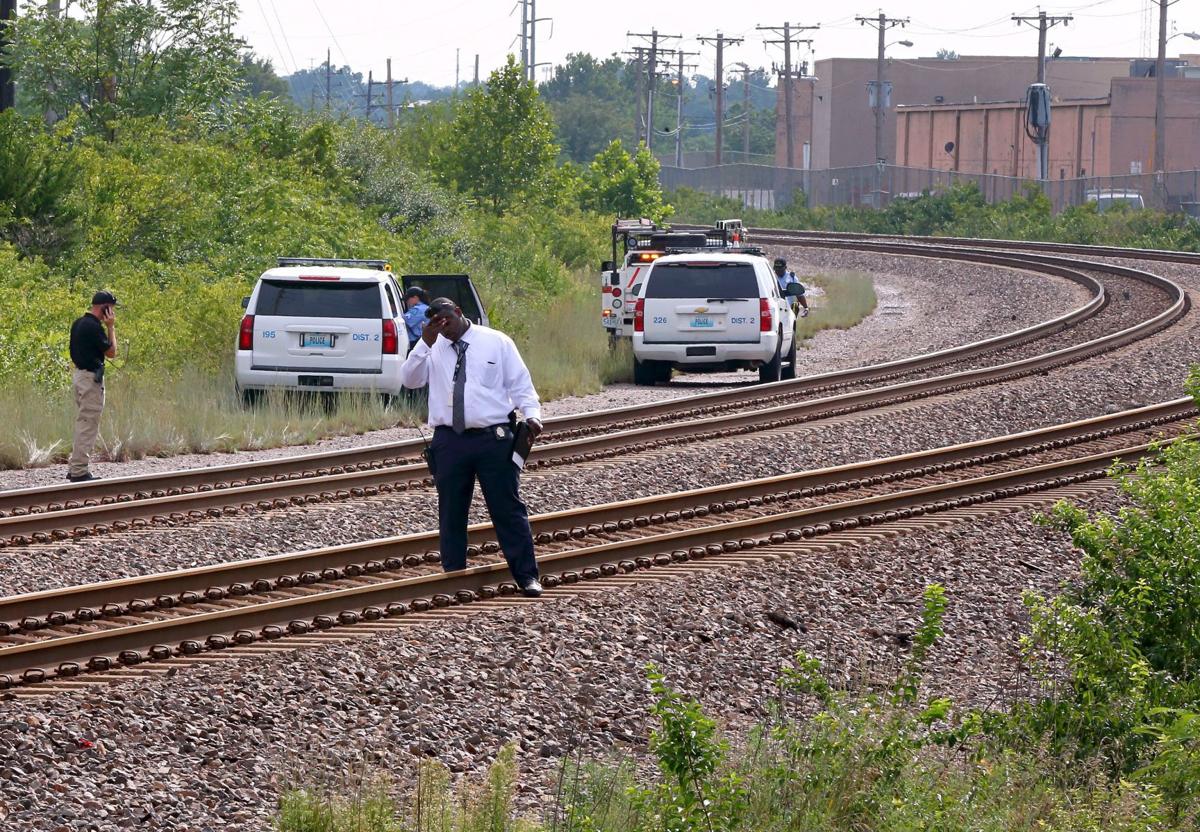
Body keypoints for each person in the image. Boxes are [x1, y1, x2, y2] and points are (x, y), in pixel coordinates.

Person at [399, 298, 546, 597]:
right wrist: (424, 344)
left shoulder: (496, 342)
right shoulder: (433, 346)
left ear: (458, 313)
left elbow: (520, 384)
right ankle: (453, 577)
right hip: (449, 440)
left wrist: (532, 415)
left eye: (447, 322)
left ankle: (527, 576)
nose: (445, 330)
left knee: (507, 507)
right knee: (451, 510)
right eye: (437, 325)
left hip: (493, 437)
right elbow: (409, 380)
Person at [67, 291, 119, 482]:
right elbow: (112, 352)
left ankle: (75, 467)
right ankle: (79, 471)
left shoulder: (78, 323)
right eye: (111, 308)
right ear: (105, 307)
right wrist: (111, 327)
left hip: (80, 376)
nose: (113, 312)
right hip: (90, 380)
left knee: (83, 423)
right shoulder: (94, 327)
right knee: (88, 424)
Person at [402, 286, 430, 351]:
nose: (407, 302)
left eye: (408, 299)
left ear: (415, 297)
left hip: (416, 344)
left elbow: (402, 321)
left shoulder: (418, 310)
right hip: (421, 342)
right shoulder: (425, 307)